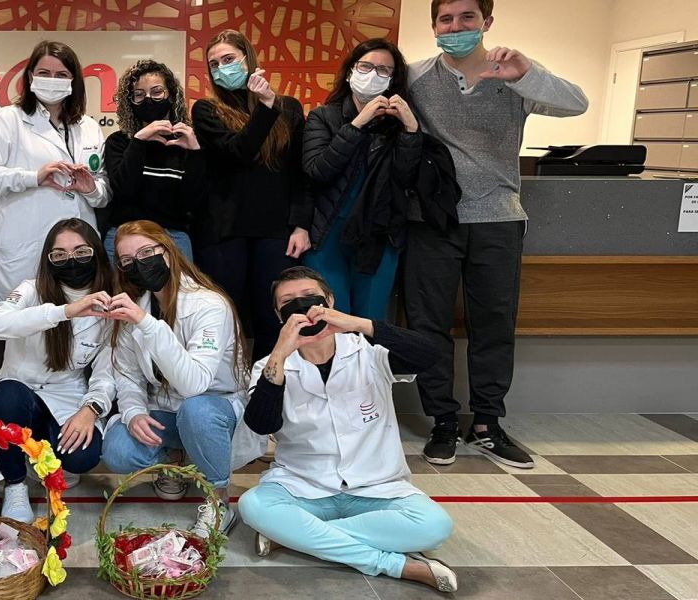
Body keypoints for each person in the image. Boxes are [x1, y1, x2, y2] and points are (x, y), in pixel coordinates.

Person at [407, 0, 588, 468]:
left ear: (486, 22)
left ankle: (488, 423)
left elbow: (577, 103)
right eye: (446, 19)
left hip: (498, 218)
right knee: (429, 324)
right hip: (433, 220)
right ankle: (443, 422)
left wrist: (528, 75)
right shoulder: (415, 77)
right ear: (434, 26)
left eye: (467, 17)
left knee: (494, 325)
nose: (456, 27)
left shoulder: (512, 72)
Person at [238, 266, 457, 593]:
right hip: (304, 486)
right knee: (253, 506)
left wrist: (358, 324)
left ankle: (296, 536)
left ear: (329, 301)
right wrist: (281, 351)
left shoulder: (368, 352)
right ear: (278, 315)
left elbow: (430, 355)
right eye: (288, 302)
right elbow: (262, 424)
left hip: (376, 487)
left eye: (310, 297)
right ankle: (397, 566)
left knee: (435, 526)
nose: (302, 306)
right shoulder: (270, 366)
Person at [100, 220, 265, 539]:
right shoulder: (136, 305)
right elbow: (127, 375)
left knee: (196, 410)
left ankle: (218, 500)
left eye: (146, 252)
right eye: (128, 260)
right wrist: (134, 412)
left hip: (217, 411)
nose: (138, 264)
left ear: (169, 251)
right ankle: (177, 460)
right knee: (118, 448)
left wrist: (147, 324)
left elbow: (194, 385)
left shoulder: (209, 304)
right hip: (168, 409)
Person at [0, 40, 110, 308]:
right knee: (22, 323)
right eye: (44, 73)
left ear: (73, 80)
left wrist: (91, 189)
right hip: (25, 246)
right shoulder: (8, 120)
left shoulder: (88, 127)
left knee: (79, 319)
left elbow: (103, 190)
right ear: (30, 77)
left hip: (78, 250)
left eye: (61, 75)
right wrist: (32, 178)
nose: (53, 80)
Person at [0, 218, 115, 523]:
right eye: (60, 254)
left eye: (81, 252)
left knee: (82, 457)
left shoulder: (108, 303)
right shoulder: (31, 289)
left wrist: (91, 409)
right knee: (8, 395)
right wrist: (64, 311)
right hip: (18, 393)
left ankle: (41, 455)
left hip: (66, 395)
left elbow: (106, 373)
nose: (72, 260)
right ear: (48, 259)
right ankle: (16, 484)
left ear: (96, 253)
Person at [191, 29, 310, 361]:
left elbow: (300, 173)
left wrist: (301, 224)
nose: (221, 68)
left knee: (274, 315)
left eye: (228, 59)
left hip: (276, 230)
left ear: (248, 59)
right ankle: (228, 386)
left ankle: (270, 383)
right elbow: (238, 152)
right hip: (225, 230)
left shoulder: (289, 108)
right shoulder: (206, 110)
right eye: (214, 64)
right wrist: (266, 109)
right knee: (227, 316)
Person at [301, 38, 422, 322]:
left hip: (378, 236)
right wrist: (356, 124)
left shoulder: (399, 123)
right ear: (349, 72)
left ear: (392, 80)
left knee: (371, 321)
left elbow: (406, 178)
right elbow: (317, 170)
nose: (373, 74)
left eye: (383, 70)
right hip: (328, 233)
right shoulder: (323, 116)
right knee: (332, 320)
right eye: (365, 66)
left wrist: (411, 130)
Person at [103, 59, 204, 261]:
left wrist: (195, 152)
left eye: (157, 92)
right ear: (130, 101)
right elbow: (123, 190)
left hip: (173, 237)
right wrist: (138, 141)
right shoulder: (119, 142)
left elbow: (193, 202)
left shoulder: (186, 141)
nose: (148, 99)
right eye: (139, 95)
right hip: (125, 236)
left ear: (171, 95)